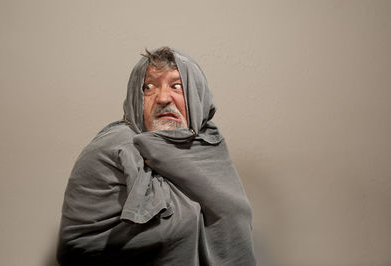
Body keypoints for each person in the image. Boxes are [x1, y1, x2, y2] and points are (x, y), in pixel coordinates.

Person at [57, 47, 257, 266]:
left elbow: (233, 215)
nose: (163, 98)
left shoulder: (209, 144)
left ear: (196, 96)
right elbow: (76, 244)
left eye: (177, 86)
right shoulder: (115, 149)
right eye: (149, 87)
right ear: (137, 98)